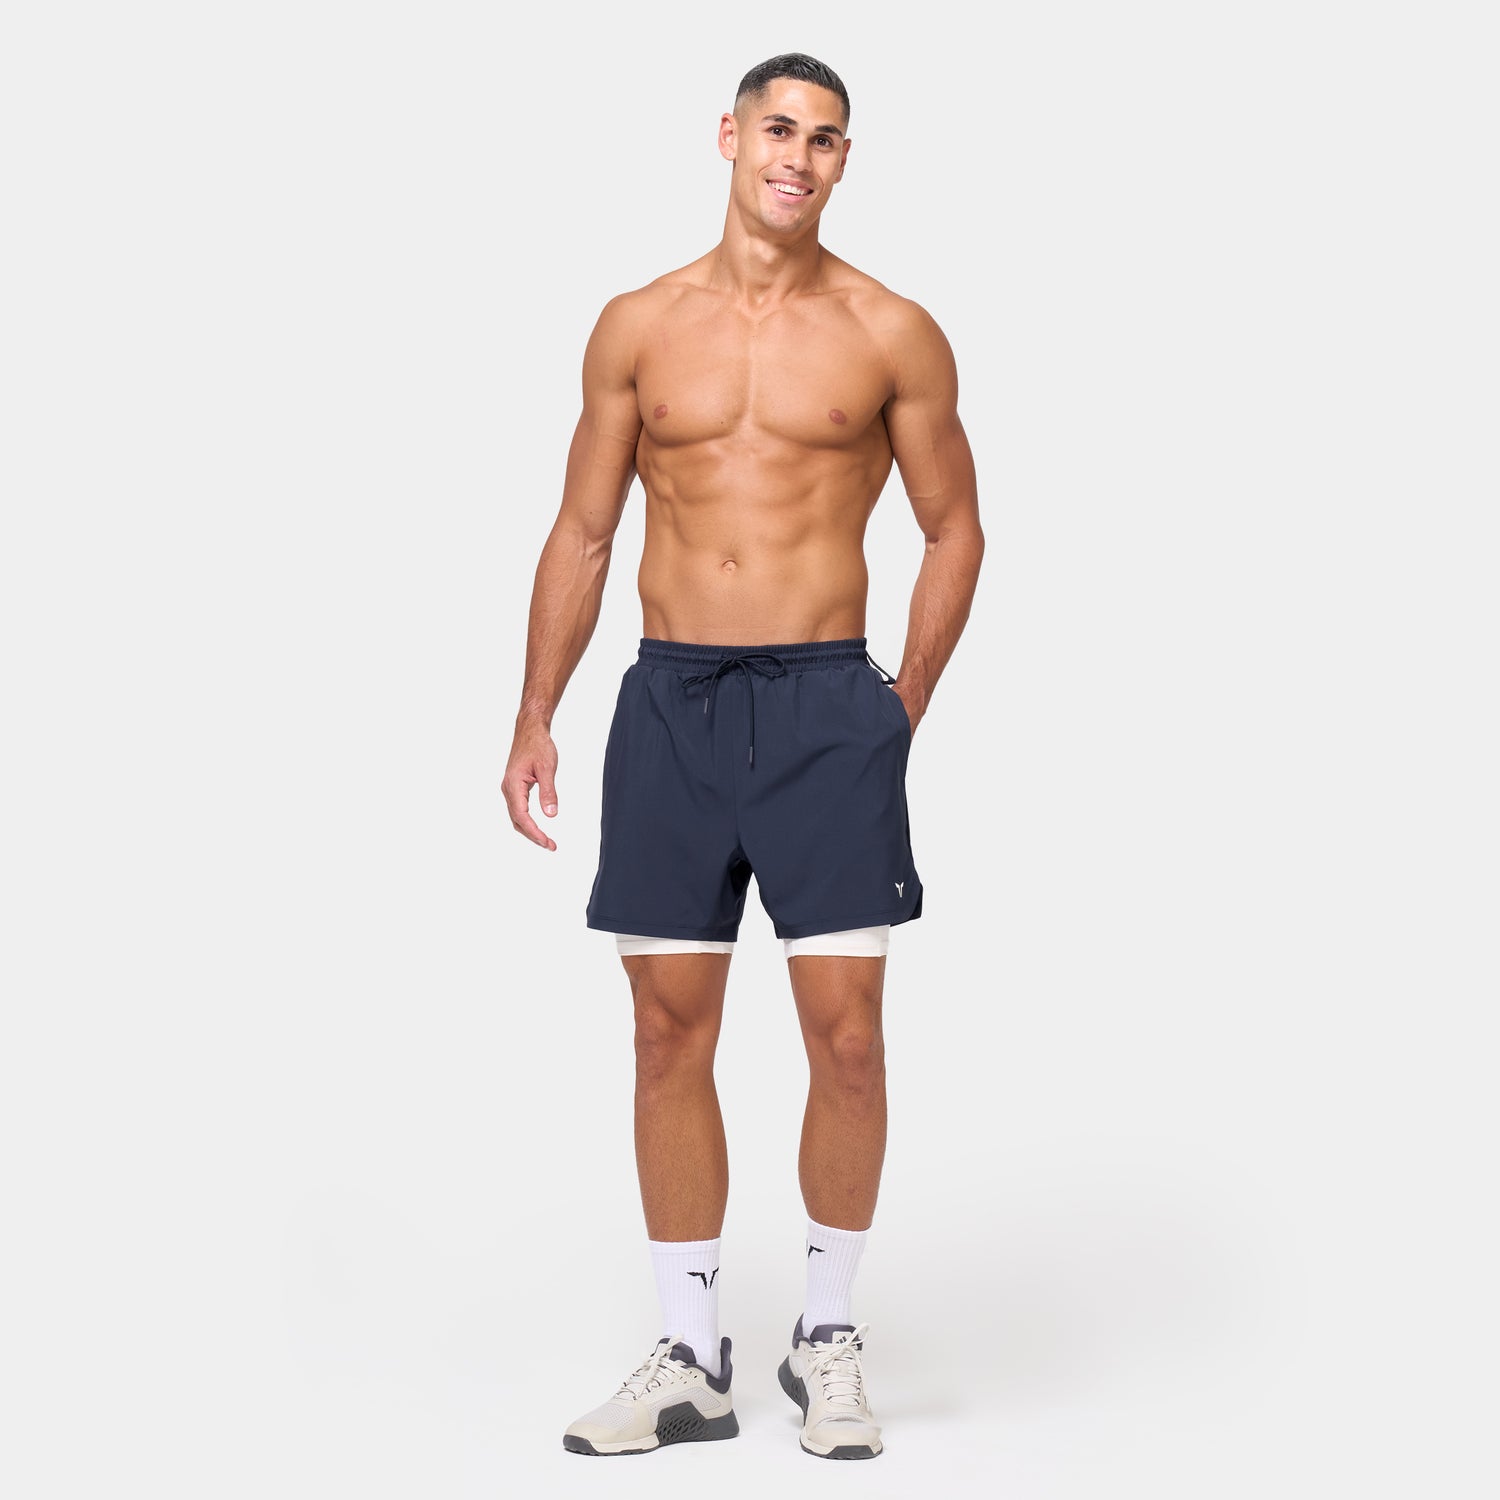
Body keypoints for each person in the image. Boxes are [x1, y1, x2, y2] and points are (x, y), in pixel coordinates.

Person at [502, 52, 983, 1460]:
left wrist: (900, 703)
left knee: (848, 1034)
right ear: (728, 136)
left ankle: (827, 1336)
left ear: (845, 162)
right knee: (666, 1032)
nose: (798, 157)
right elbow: (585, 529)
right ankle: (692, 1355)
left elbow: (955, 526)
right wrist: (534, 710)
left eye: (825, 139)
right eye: (779, 128)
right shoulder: (638, 325)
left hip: (830, 707)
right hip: (671, 704)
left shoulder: (893, 331)